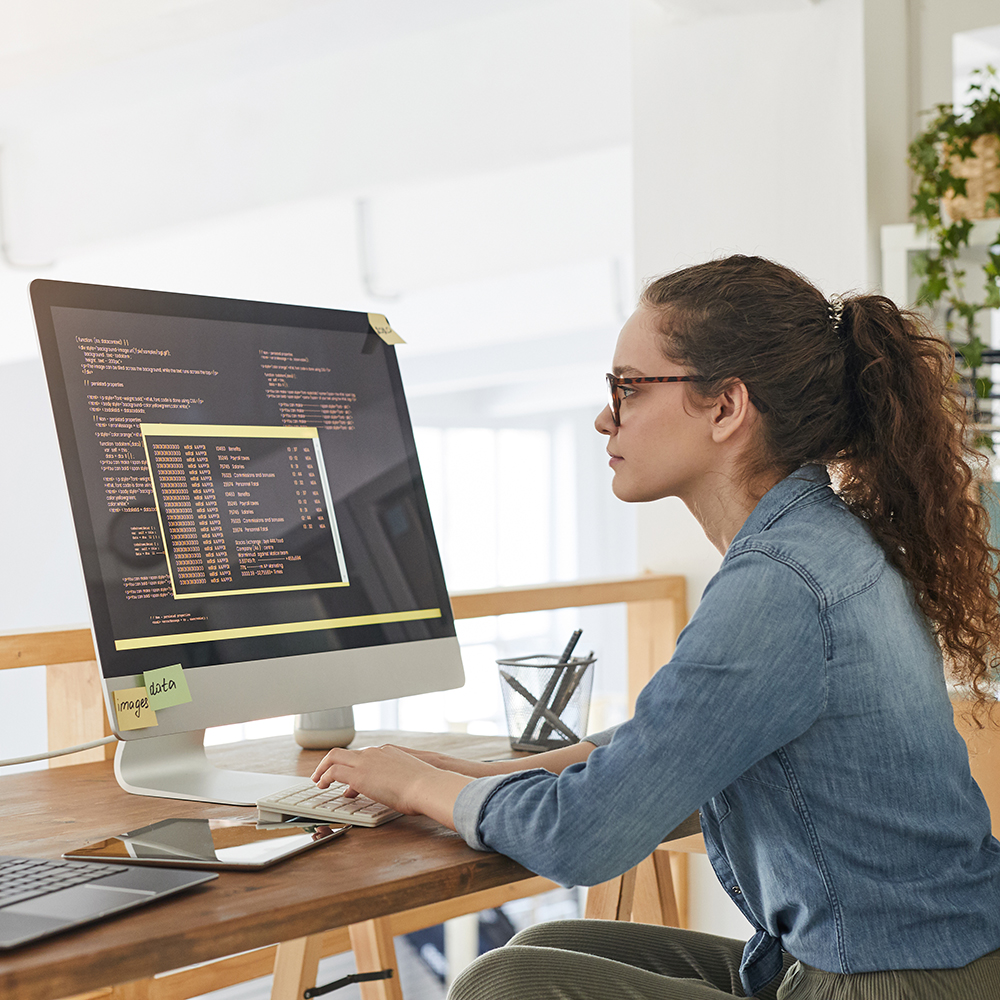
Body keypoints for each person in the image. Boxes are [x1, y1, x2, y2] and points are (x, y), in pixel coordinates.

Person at [312, 255, 1000, 999]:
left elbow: (583, 836)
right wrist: (482, 777)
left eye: (629, 388)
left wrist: (414, 784)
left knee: (509, 984)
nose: (606, 416)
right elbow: (679, 741)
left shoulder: (781, 583)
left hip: (894, 983)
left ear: (725, 407)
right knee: (549, 943)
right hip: (907, 957)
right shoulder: (812, 542)